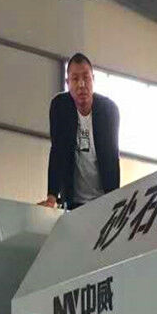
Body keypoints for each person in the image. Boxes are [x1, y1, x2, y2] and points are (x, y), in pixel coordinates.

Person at [44, 54, 120, 209]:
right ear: (67, 83)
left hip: (103, 199)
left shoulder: (109, 110)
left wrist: (114, 202)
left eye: (86, 78)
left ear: (93, 79)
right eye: (75, 79)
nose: (81, 84)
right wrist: (52, 196)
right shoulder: (60, 107)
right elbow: (57, 151)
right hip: (72, 200)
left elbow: (112, 157)